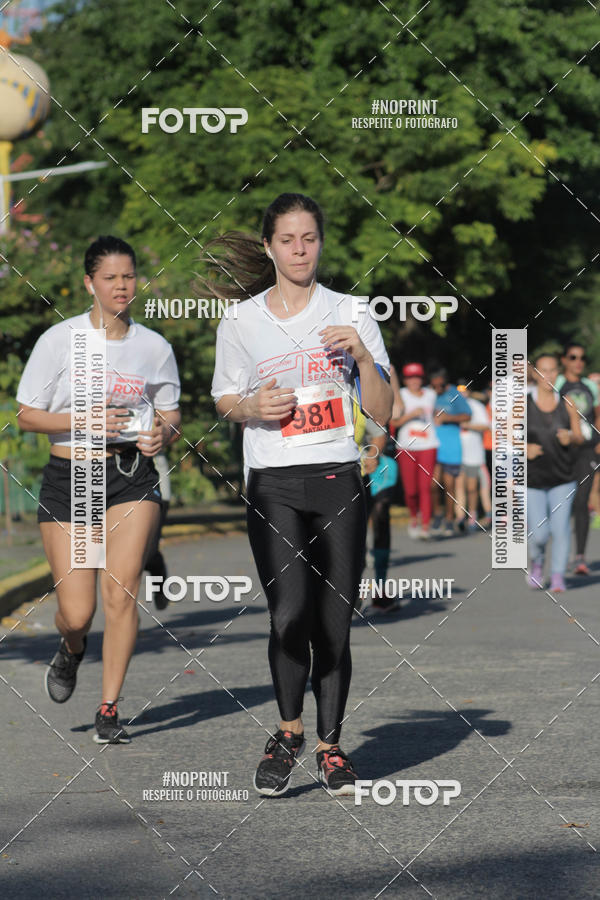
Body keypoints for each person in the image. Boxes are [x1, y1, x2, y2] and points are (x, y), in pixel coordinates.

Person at [209, 192, 392, 797]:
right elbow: (224, 399)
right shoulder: (241, 321)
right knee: (289, 613)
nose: (298, 250)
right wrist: (252, 406)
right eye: (286, 240)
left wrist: (364, 355)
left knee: (333, 621)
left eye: (308, 239)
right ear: (269, 246)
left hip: (339, 478)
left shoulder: (352, 311)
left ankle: (330, 746)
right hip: (275, 482)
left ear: (321, 242)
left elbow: (382, 409)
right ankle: (287, 734)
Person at [16, 236, 181, 743]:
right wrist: (79, 418)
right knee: (78, 612)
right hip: (71, 479)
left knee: (121, 590)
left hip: (129, 476)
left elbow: (171, 412)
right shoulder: (59, 341)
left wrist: (163, 432)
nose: (121, 286)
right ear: (90, 283)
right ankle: (71, 648)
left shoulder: (153, 346)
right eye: (110, 278)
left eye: (128, 276)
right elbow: (25, 415)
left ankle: (109, 708)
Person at [527, 353, 582, 592]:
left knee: (560, 530)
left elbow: (581, 437)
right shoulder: (522, 403)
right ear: (534, 373)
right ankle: (537, 563)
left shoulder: (567, 402)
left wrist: (570, 436)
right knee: (539, 534)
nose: (547, 376)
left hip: (563, 478)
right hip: (532, 480)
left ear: (557, 373)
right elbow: (505, 437)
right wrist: (523, 447)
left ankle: (558, 575)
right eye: (542, 371)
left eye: (551, 371)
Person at [555, 343, 600, 575]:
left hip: (587, 450)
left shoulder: (590, 385)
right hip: (563, 450)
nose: (578, 361)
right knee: (564, 503)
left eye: (582, 357)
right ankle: (558, 556)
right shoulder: (559, 384)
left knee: (582, 501)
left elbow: (598, 413)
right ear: (564, 360)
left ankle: (580, 557)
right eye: (573, 357)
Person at [357, 410, 399, 615]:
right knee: (352, 532)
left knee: (381, 518)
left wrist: (373, 454)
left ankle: (381, 593)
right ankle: (351, 590)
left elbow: (396, 410)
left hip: (380, 464)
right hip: (346, 471)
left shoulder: (375, 379)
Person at [391, 363, 438, 539]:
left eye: (417, 377)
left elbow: (438, 414)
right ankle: (413, 517)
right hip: (405, 446)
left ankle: (425, 525)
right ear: (405, 379)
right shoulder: (400, 395)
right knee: (411, 490)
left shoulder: (431, 395)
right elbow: (393, 423)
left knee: (425, 487)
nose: (414, 381)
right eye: (410, 378)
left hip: (428, 445)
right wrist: (410, 415)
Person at [429, 369, 471, 536]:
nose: (437, 388)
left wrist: (447, 418)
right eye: (434, 385)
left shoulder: (454, 394)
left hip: (451, 446)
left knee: (449, 486)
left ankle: (449, 518)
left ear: (445, 383)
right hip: (432, 444)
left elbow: (468, 415)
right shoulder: (429, 395)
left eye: (440, 385)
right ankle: (437, 514)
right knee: (432, 484)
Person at [455, 384, 491, 532]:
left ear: (469, 392)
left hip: (474, 455)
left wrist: (467, 425)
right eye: (458, 391)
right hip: (456, 454)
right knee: (458, 487)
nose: (462, 394)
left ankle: (472, 516)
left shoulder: (476, 406)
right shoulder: (452, 406)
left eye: (464, 390)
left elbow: (485, 426)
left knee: (472, 488)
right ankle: (459, 518)